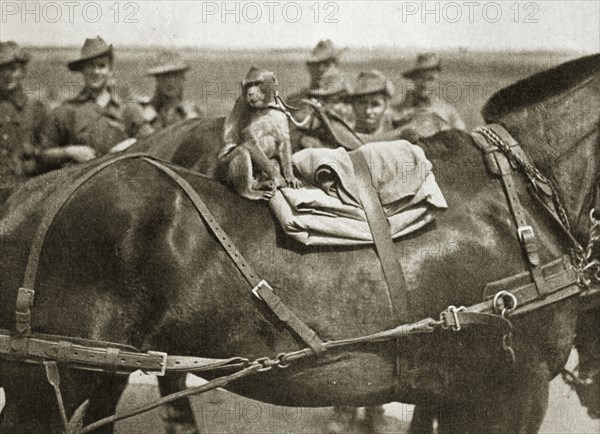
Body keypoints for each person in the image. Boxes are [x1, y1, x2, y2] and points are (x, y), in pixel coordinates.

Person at [39, 36, 153, 169]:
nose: (96, 71)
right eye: (90, 66)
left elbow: (153, 141)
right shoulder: (66, 111)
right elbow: (43, 154)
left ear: (110, 70)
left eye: (101, 66)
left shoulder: (128, 109)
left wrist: (130, 144)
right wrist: (70, 152)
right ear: (82, 70)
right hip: (81, 184)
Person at [0, 41, 49, 200]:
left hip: (25, 195)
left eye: (13, 69)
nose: (8, 76)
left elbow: (48, 151)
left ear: (23, 71)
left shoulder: (36, 109)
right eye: (2, 70)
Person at [393, 53, 465, 132]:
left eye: (430, 79)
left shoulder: (447, 111)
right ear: (413, 79)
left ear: (437, 81)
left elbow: (461, 135)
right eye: (420, 78)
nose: (425, 84)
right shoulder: (398, 110)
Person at [139, 50, 203, 129]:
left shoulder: (192, 113)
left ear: (183, 78)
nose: (170, 82)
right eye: (165, 76)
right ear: (157, 80)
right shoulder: (145, 113)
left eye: (175, 75)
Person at [286, 39, 347, 107]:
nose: (312, 68)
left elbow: (328, 91)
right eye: (311, 65)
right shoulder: (318, 76)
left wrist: (308, 92)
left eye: (316, 64)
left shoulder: (334, 75)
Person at [348, 69, 396, 136]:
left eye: (375, 104)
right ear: (353, 105)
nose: (368, 111)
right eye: (362, 103)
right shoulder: (342, 137)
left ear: (386, 106)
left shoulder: (395, 138)